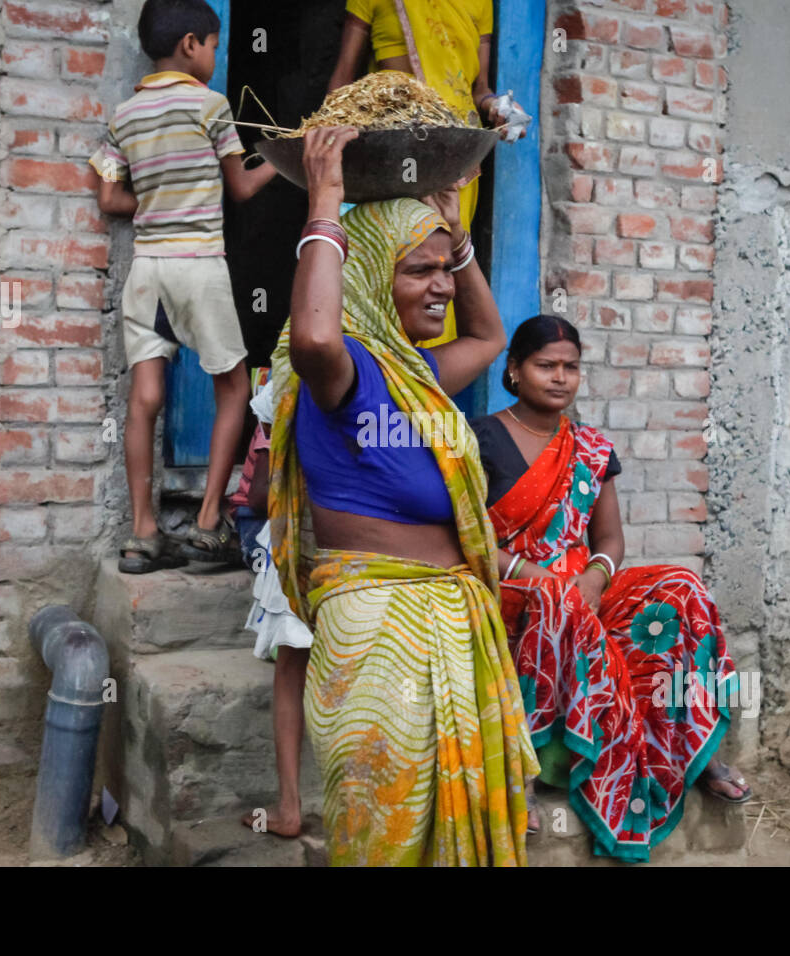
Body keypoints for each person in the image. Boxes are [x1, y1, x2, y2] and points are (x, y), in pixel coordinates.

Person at [267, 125, 537, 865]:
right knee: (387, 841)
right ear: (369, 278)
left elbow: (489, 337)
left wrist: (455, 235)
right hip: (380, 632)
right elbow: (315, 336)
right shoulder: (344, 373)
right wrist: (325, 205)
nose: (442, 287)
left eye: (443, 270)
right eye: (420, 270)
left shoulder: (414, 377)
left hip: (451, 615)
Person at [470, 314, 751, 863]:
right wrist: (541, 579)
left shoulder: (592, 449)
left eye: (570, 367)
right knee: (556, 602)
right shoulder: (480, 439)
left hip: (584, 584)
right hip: (513, 592)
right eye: (544, 365)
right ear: (513, 370)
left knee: (682, 587)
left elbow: (610, 538)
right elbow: (469, 536)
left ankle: (695, 750)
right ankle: (521, 778)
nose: (559, 377)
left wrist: (595, 579)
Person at [89, 0, 276, 572]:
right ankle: (206, 522)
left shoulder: (124, 116)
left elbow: (110, 199)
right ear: (192, 44)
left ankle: (142, 534)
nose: (216, 57)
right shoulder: (211, 106)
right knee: (233, 389)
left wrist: (158, 198)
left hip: (148, 273)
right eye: (216, 46)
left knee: (144, 400)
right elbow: (241, 188)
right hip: (199, 266)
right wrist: (285, 159)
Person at [327, 0, 524, 346]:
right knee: (389, 273)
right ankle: (377, 379)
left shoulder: (479, 4)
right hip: (392, 155)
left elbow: (479, 89)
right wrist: (327, 143)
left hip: (453, 162)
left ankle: (427, 386)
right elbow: (343, 82)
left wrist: (499, 108)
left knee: (438, 270)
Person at [229, 375, 315, 839]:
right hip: (319, 541)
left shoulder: (289, 379)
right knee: (299, 668)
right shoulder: (288, 379)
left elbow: (260, 493)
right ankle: (293, 805)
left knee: (295, 670)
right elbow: (259, 494)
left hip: (315, 542)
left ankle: (291, 805)